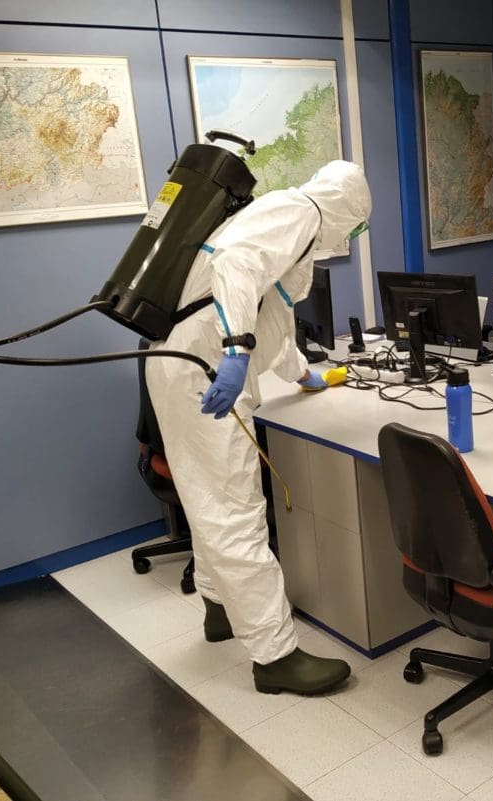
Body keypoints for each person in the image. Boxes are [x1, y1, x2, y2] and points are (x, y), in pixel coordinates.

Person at [146, 160, 372, 694]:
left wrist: (302, 373)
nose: (351, 237)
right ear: (348, 210)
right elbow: (236, 265)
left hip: (190, 366)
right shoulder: (300, 211)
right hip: (204, 371)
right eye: (357, 226)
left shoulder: (294, 223)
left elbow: (271, 313)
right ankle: (275, 657)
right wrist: (235, 352)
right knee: (235, 512)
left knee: (209, 500)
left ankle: (219, 608)